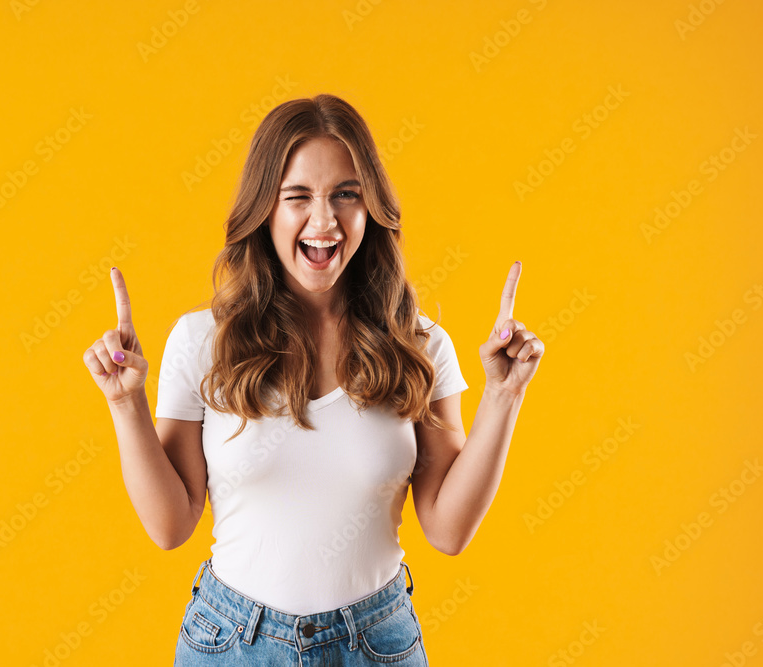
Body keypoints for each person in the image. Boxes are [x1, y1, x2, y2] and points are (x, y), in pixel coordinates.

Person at [83, 93, 545, 665]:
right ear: (264, 209)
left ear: (370, 208)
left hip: (376, 643)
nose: (323, 222)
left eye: (345, 195)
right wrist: (126, 405)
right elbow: (170, 524)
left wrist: (504, 395)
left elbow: (448, 531)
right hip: (231, 642)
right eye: (297, 197)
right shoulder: (204, 341)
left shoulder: (419, 346)